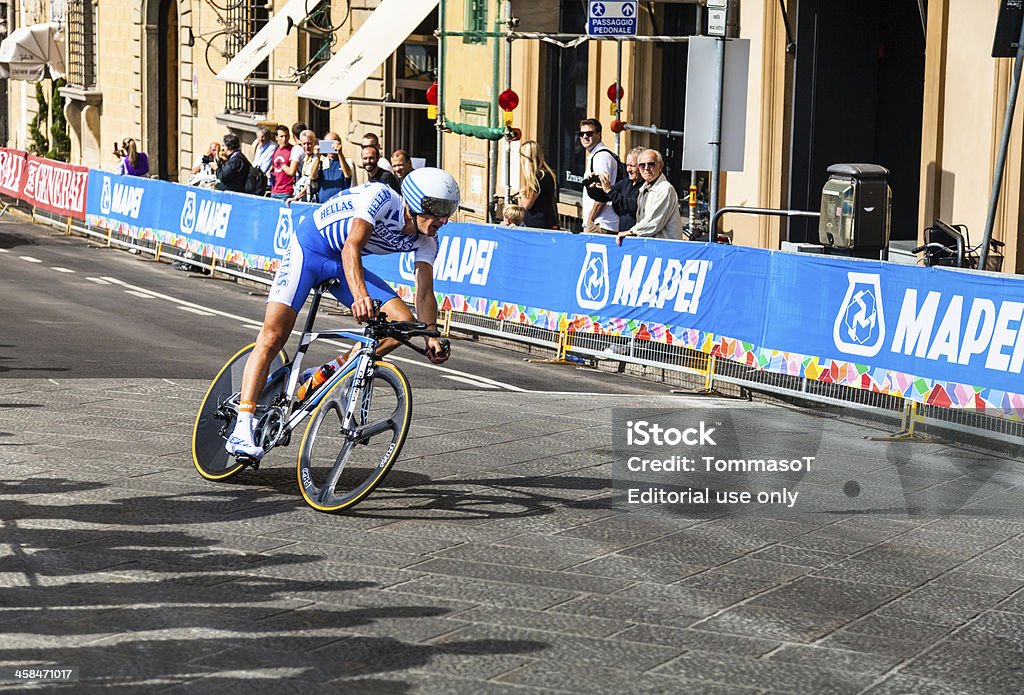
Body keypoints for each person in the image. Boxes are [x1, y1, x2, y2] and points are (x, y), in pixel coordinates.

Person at [223, 168, 460, 459]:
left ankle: (330, 371)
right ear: (414, 200)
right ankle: (241, 429)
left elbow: (424, 292)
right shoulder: (381, 197)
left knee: (405, 324)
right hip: (310, 249)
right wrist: (361, 296)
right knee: (273, 336)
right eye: (438, 210)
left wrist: (431, 335)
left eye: (449, 211)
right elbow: (352, 246)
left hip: (338, 264)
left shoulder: (427, 240)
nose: (444, 220)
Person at [616, 149, 682, 245]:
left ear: (660, 165)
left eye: (651, 164)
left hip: (666, 249)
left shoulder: (665, 189)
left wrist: (630, 232)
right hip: (650, 247)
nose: (646, 168)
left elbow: (653, 222)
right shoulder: (644, 188)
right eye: (642, 165)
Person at [578, 118, 620, 234]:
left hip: (601, 223)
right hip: (600, 222)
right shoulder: (596, 155)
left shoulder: (601, 157)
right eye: (582, 134)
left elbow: (602, 193)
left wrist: (590, 219)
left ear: (599, 134)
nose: (585, 137)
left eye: (589, 133)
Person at [588, 146, 643, 231]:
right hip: (622, 235)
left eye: (632, 166)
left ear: (641, 166)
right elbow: (604, 197)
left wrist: (609, 191)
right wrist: (591, 186)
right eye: (627, 165)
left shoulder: (646, 185)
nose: (628, 170)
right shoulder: (626, 182)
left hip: (636, 235)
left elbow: (633, 205)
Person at [517, 140, 558, 230]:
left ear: (526, 158)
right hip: (546, 220)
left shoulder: (538, 177)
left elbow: (526, 205)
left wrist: (522, 194)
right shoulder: (548, 174)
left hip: (537, 224)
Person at [289, 129, 322, 203]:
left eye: (309, 143)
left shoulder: (317, 159)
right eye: (304, 144)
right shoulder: (306, 158)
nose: (306, 146)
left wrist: (297, 198)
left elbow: (310, 181)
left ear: (315, 143)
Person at [318, 131, 353, 202]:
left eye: (333, 143)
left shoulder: (347, 161)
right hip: (323, 203)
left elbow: (347, 174)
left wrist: (339, 153)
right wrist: (317, 157)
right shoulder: (322, 162)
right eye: (328, 144)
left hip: (340, 203)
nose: (331, 147)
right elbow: (313, 177)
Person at [270, 125, 300, 201]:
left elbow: (292, 171)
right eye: (281, 136)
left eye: (286, 136)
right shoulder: (276, 149)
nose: (284, 139)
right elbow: (274, 166)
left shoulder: (293, 150)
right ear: (276, 137)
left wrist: (283, 166)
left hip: (287, 191)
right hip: (274, 190)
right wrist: (269, 172)